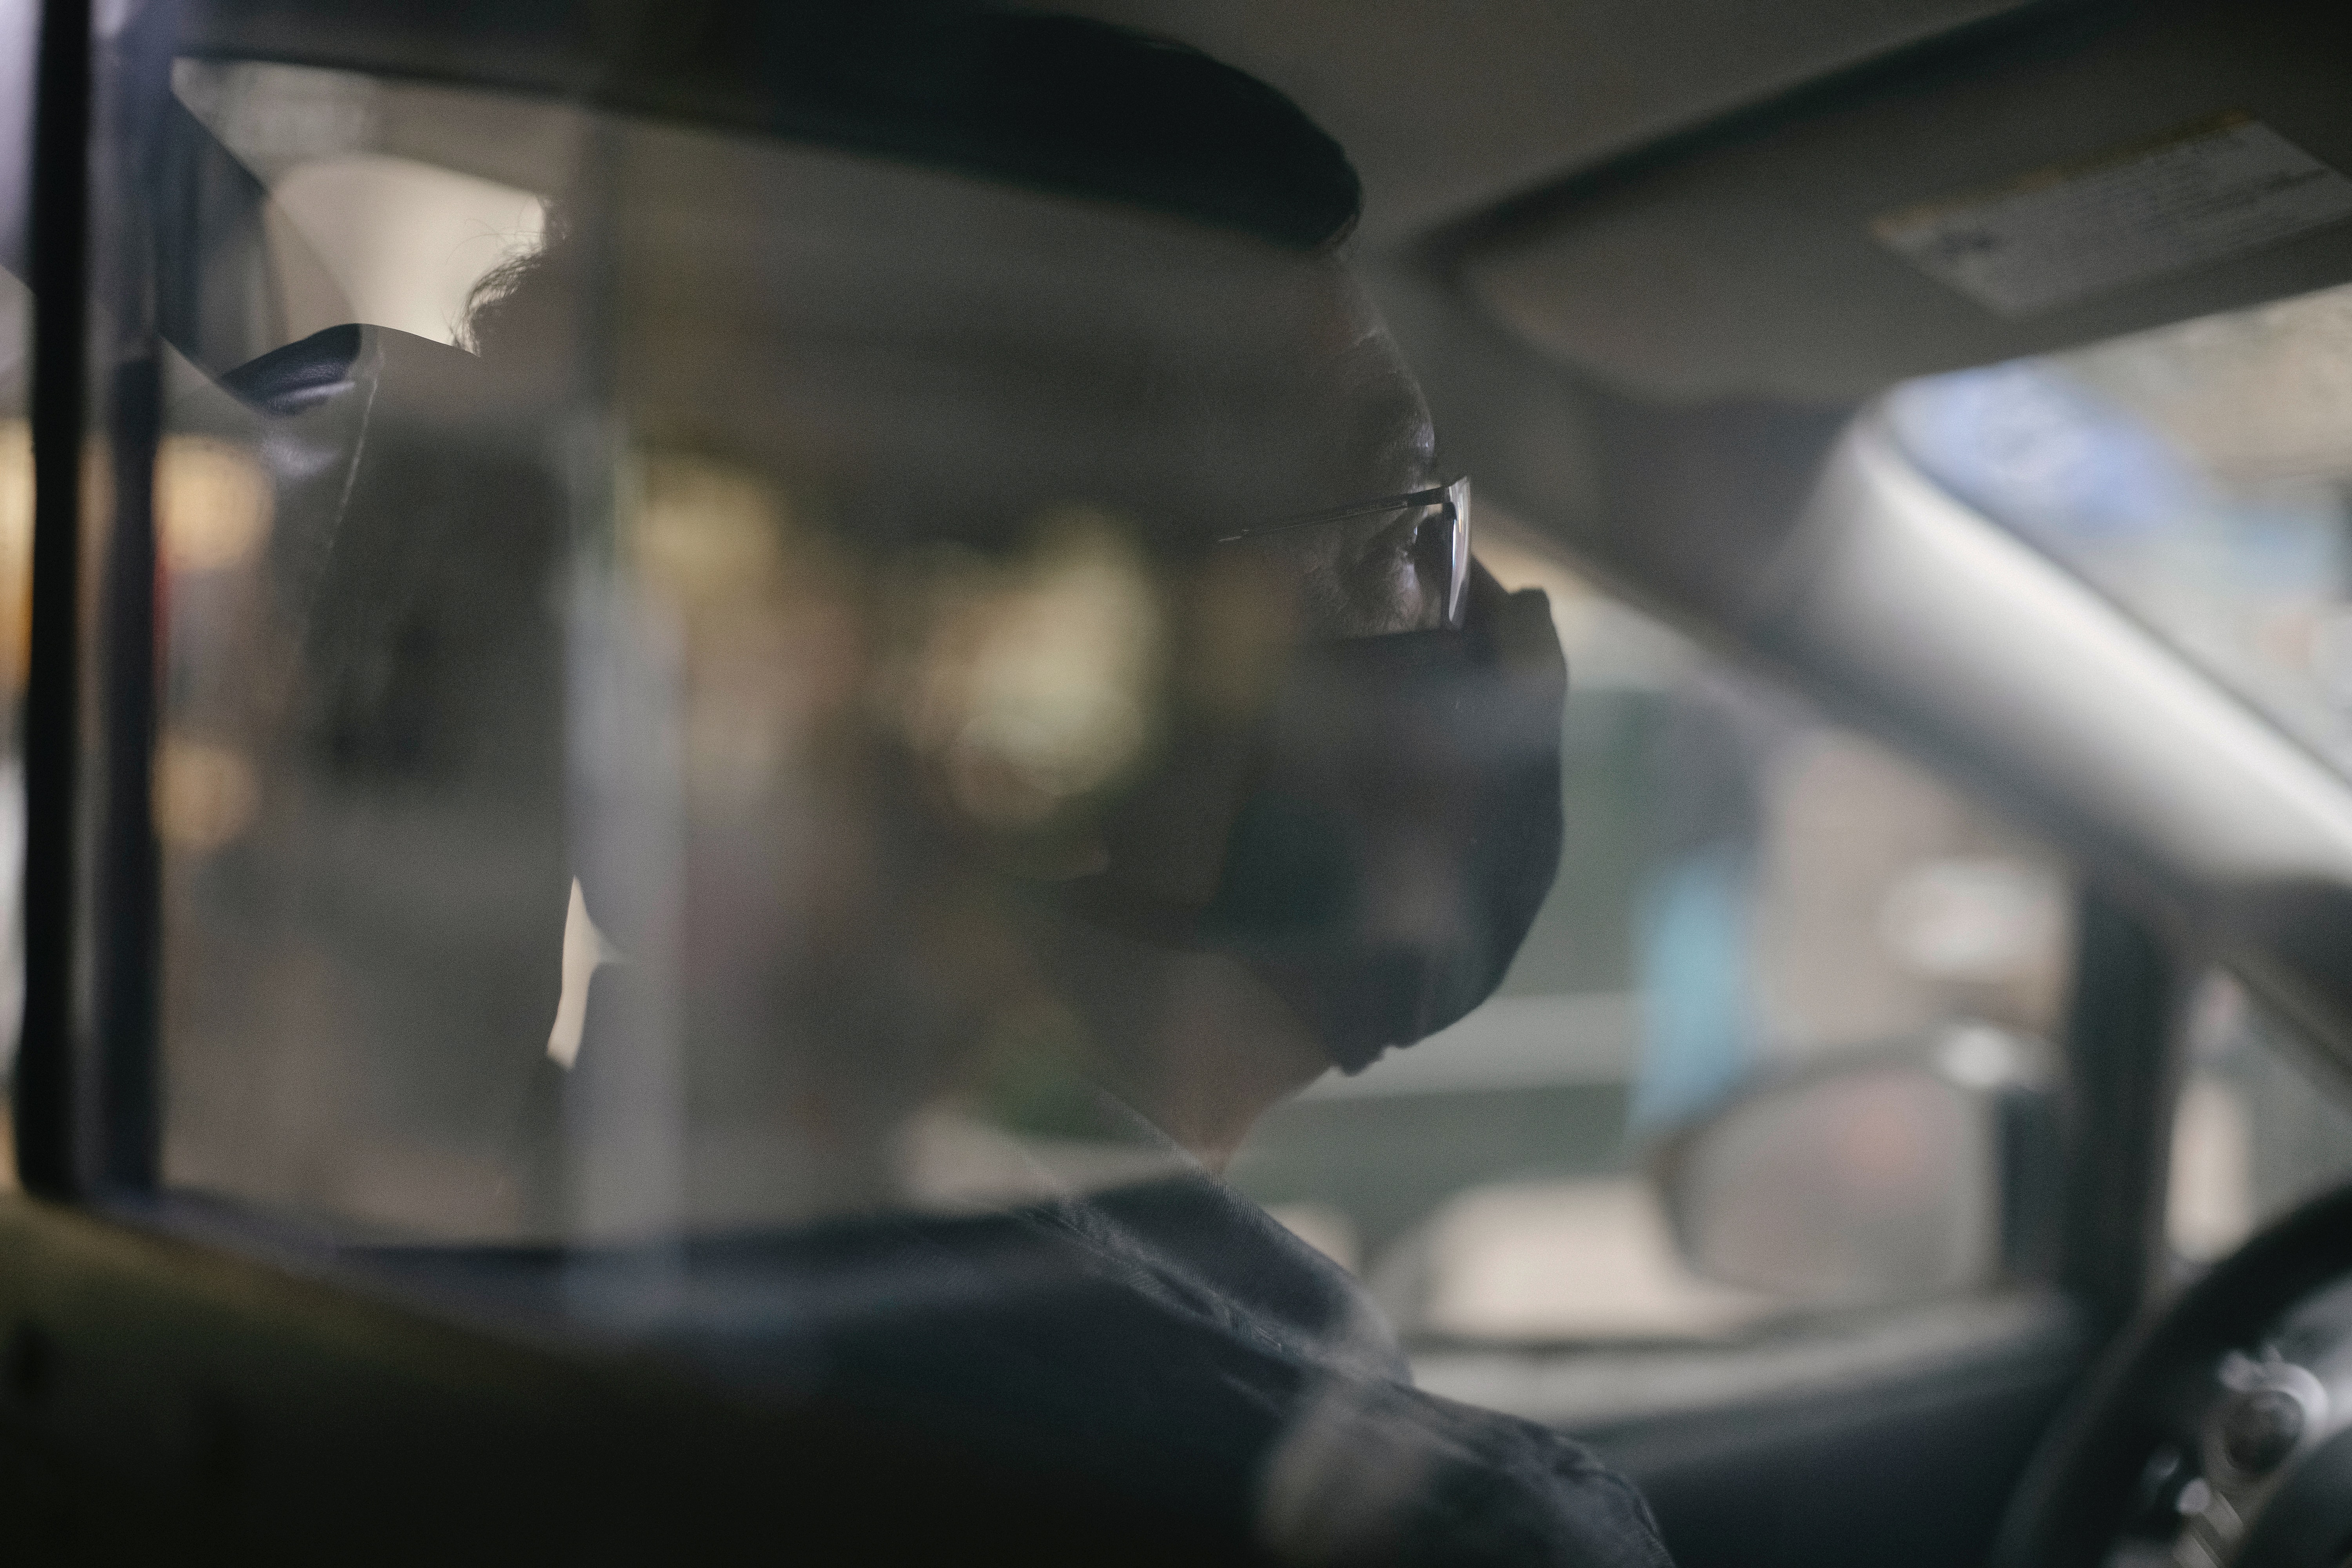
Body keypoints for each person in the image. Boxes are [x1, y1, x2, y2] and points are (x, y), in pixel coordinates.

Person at [180, 12, 1671, 1563]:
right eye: (1396, 532)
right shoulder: (1427, 1531)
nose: (1478, 618)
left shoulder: (461, 1286)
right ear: (1052, 708)